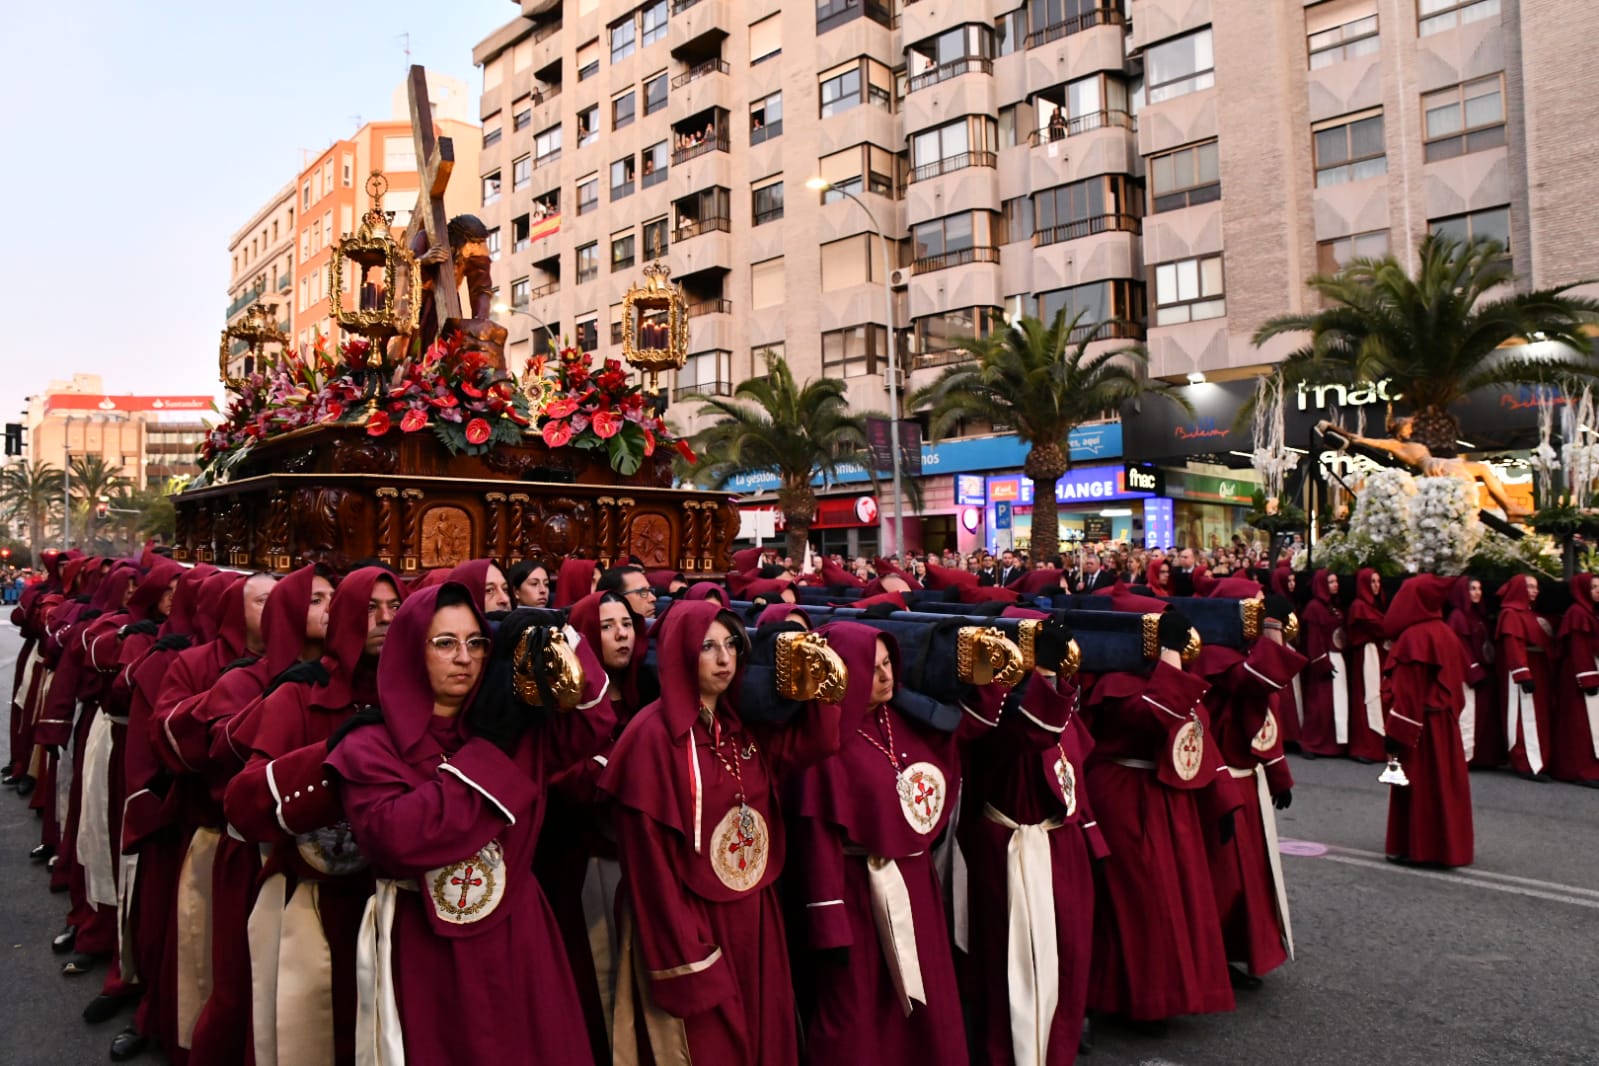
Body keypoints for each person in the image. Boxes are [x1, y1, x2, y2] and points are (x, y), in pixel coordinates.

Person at [327, 584, 614, 1064]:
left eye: (477, 643)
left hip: (519, 931)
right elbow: (397, 839)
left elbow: (593, 722)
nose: (464, 657)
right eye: (445, 643)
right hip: (425, 944)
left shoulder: (516, 726)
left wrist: (562, 638)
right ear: (410, 651)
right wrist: (492, 749)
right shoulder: (369, 744)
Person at [599, 600, 841, 1065]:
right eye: (708, 647)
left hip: (754, 915)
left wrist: (823, 685)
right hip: (692, 924)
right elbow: (648, 864)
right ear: (679, 653)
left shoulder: (742, 727)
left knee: (765, 1037)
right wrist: (686, 956)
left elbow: (817, 743)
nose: (725, 658)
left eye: (731, 644)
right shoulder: (650, 738)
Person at [222, 566, 404, 1065]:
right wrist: (335, 757)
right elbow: (243, 805)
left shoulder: (421, 694)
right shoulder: (299, 695)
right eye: (370, 608)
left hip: (398, 905)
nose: (385, 620)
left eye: (394, 608)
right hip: (316, 900)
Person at [789, 622, 986, 1066]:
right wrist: (829, 922)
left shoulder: (904, 720)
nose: (885, 676)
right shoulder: (826, 744)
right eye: (870, 667)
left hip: (916, 886)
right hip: (858, 895)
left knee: (928, 1006)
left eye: (887, 664)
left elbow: (959, 742)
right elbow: (818, 842)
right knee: (861, 1011)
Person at [959, 615, 1100, 1066]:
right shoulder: (997, 709)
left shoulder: (1050, 702)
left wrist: (1093, 838)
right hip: (1008, 847)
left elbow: (1075, 770)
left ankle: (1060, 1035)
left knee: (1070, 952)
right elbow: (1034, 732)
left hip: (1061, 844)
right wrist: (1036, 674)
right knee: (1010, 963)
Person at [1086, 608, 1239, 1021]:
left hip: (1167, 799)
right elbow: (1154, 715)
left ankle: (1170, 993)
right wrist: (1170, 657)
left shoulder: (1164, 679)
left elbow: (1199, 735)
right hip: (1124, 796)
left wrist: (1222, 797)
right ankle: (1134, 999)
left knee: (1176, 898)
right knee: (1140, 902)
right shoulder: (1113, 683)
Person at [1380, 576, 1473, 867]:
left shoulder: (1414, 638)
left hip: (1421, 727)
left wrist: (1396, 733)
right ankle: (1449, 848)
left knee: (1421, 786)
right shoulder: (1445, 633)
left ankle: (1421, 848)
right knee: (1446, 785)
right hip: (1444, 724)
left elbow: (1408, 692)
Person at [1497, 575, 1554, 780]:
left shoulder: (1530, 614)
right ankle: (1528, 762)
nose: (1534, 591)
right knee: (1524, 715)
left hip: (1539, 669)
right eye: (1529, 587)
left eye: (1536, 587)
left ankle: (1540, 761)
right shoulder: (1511, 615)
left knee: (1539, 717)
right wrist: (1522, 674)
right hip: (1525, 669)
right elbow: (1513, 646)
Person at [1446, 577, 1502, 767]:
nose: (1477, 592)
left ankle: (1480, 756)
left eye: (1479, 589)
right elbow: (1459, 647)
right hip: (1468, 675)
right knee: (1468, 714)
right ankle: (1463, 756)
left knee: (1482, 716)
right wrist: (1474, 671)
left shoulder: (1479, 616)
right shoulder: (1458, 617)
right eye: (1472, 589)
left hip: (1483, 673)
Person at [1551, 573, 1599, 786]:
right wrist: (1588, 680)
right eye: (1594, 587)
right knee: (1579, 725)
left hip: (1588, 671)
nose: (1598, 591)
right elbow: (1578, 648)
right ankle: (1579, 770)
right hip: (1579, 675)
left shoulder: (1589, 611)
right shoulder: (1577, 613)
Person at [1298, 571, 1349, 758]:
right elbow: (1314, 639)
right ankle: (1311, 743)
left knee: (1336, 703)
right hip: (1324, 659)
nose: (1335, 585)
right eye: (1330, 582)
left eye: (1336, 581)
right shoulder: (1315, 608)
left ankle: (1334, 743)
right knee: (1319, 705)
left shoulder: (1332, 606)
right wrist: (1321, 662)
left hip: (1337, 656)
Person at [1345, 569, 1389, 763]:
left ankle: (1378, 744)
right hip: (1366, 656)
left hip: (1376, 655)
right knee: (1367, 698)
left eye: (1378, 581)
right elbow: (1377, 627)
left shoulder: (1377, 605)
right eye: (1372, 582)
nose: (1376, 586)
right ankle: (1364, 746)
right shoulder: (1359, 606)